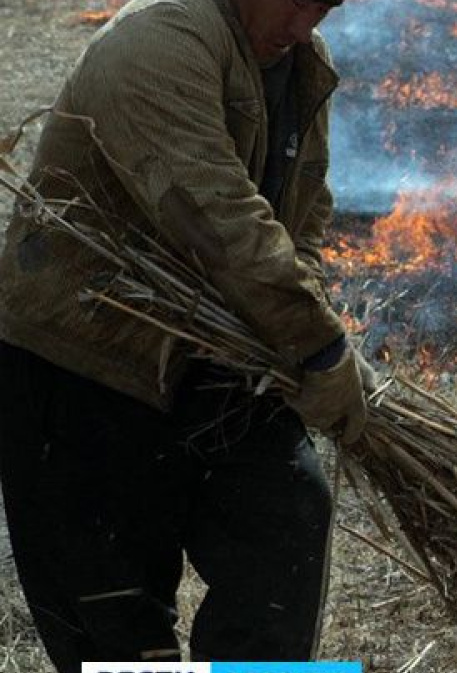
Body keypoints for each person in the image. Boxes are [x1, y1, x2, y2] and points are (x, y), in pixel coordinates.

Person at [0, 0, 372, 669]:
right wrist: (317, 343)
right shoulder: (157, 44)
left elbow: (302, 220)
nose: (304, 27)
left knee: (285, 522)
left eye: (324, 7)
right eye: (296, 3)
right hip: (88, 364)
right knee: (117, 630)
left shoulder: (303, 66)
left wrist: (313, 334)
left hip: (219, 360)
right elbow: (215, 217)